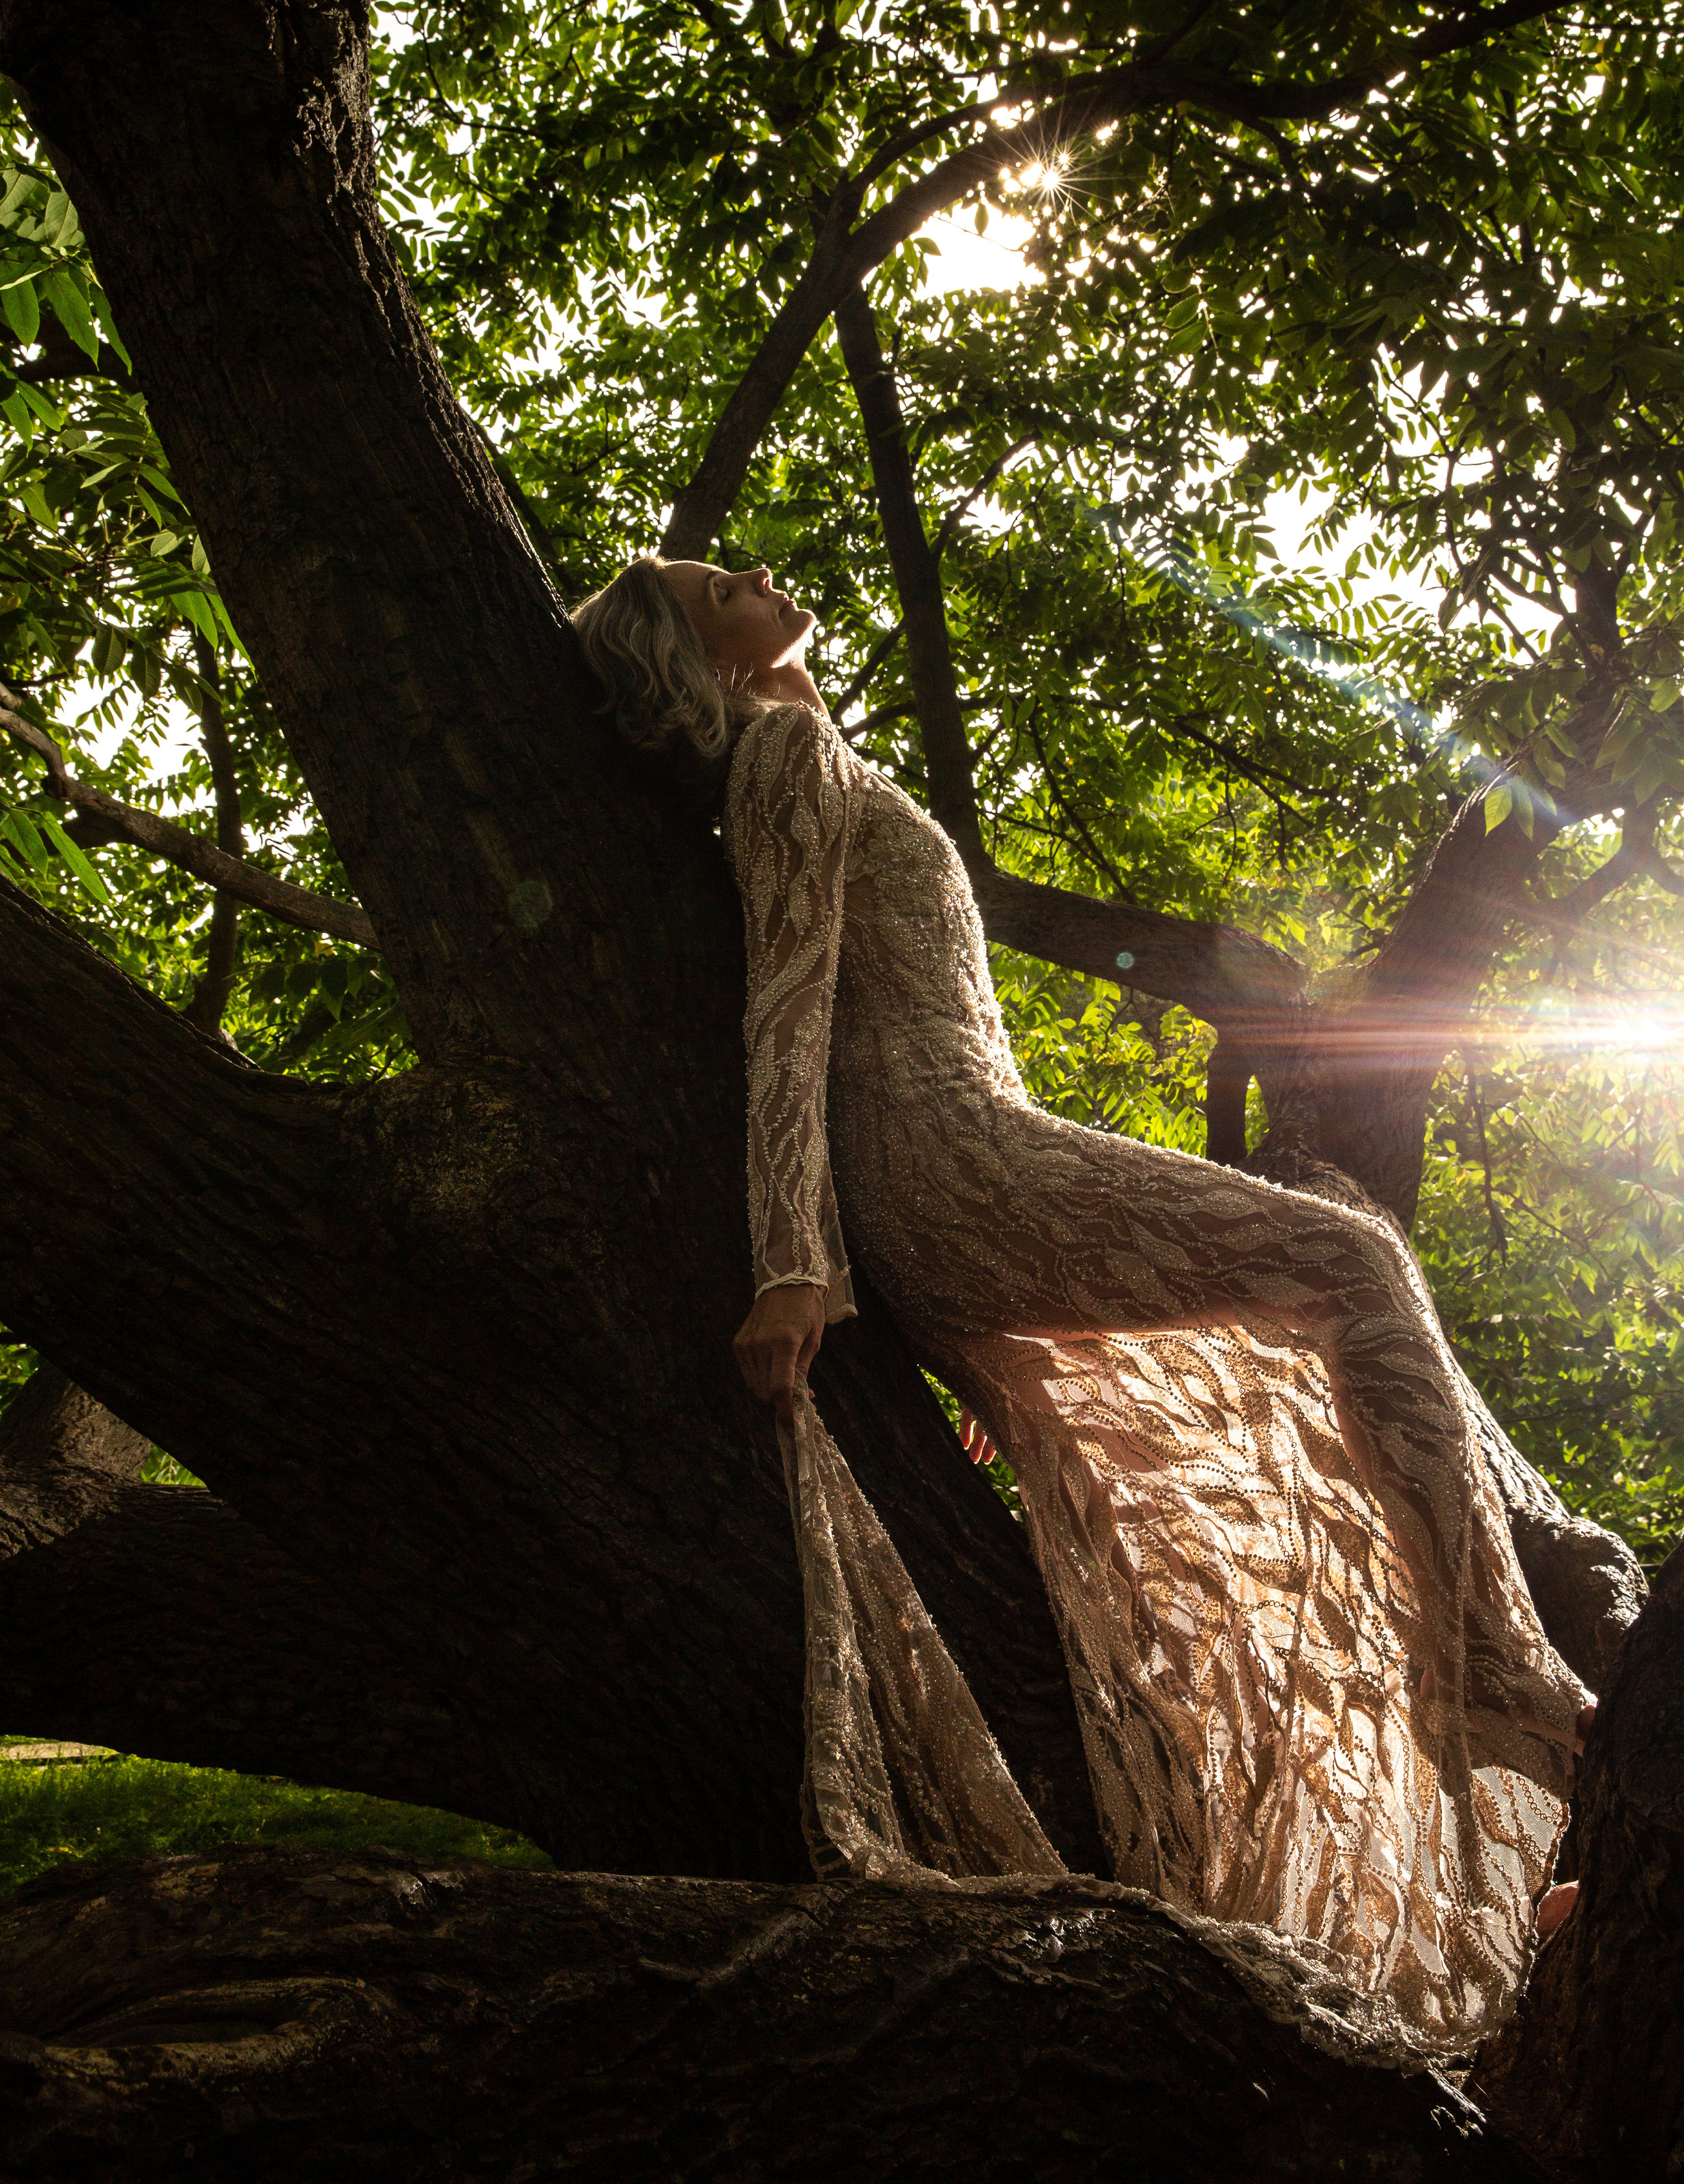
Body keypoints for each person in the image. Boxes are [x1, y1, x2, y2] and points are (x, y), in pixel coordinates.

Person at [572, 554, 1593, 2053]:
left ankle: (1445, 1856)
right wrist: (792, 1257)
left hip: (966, 1167)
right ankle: (1500, 1673)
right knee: (1350, 1264)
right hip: (951, 1167)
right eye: (720, 582)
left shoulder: (812, 745)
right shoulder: (782, 757)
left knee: (1226, 1438)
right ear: (693, 651)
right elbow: (782, 996)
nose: (758, 573)